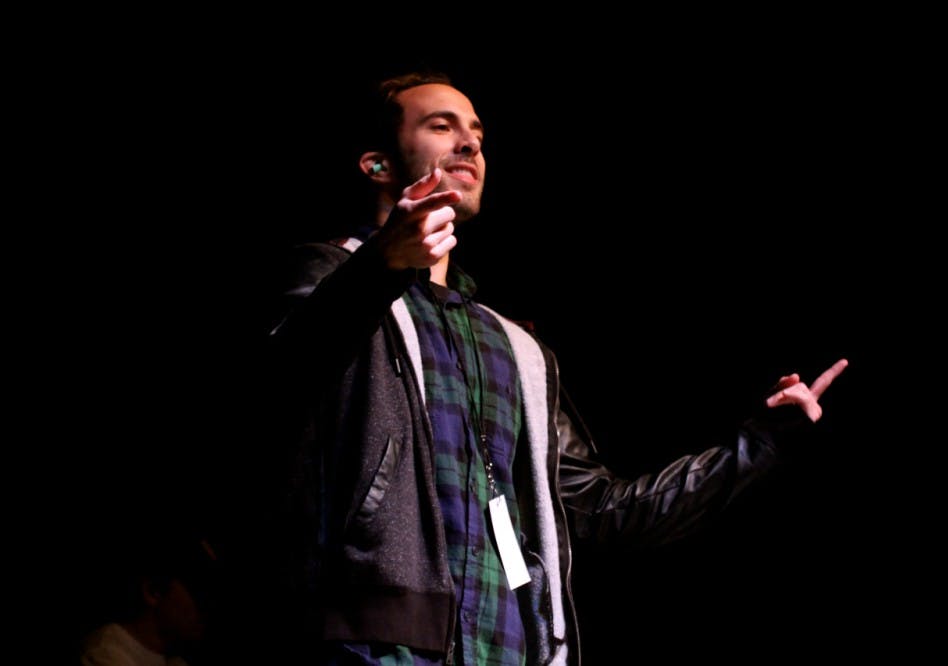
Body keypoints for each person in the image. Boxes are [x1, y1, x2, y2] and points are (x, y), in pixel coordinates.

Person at [260, 71, 848, 665]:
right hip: (367, 644)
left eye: (477, 133)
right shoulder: (328, 274)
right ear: (378, 166)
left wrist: (759, 445)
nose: (470, 144)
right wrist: (382, 267)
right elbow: (278, 385)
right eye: (441, 126)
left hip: (507, 648)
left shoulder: (513, 346)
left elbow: (596, 507)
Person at [79, 533, 217, 666]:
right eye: (199, 595)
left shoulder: (173, 660)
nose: (209, 606)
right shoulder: (106, 655)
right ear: (154, 592)